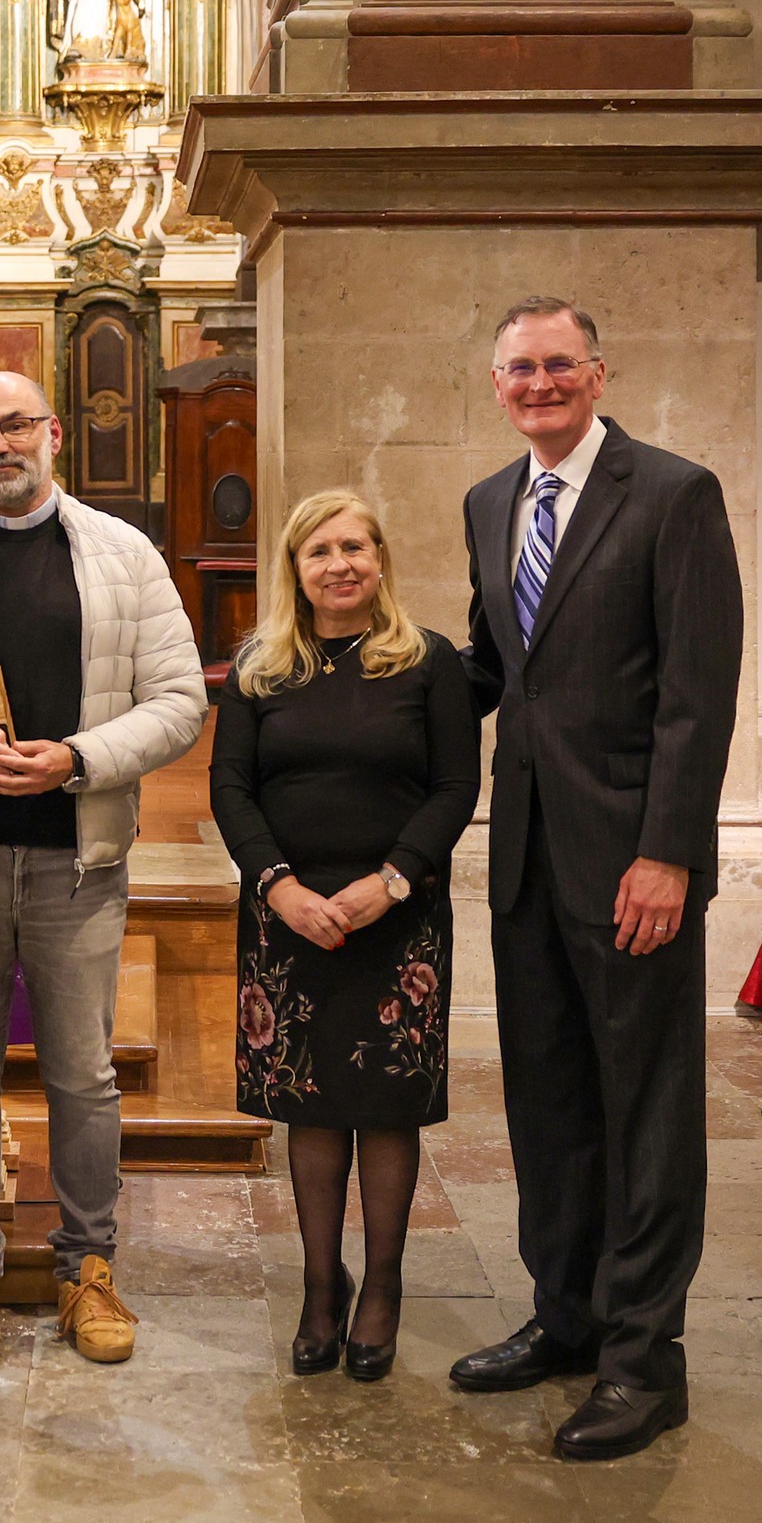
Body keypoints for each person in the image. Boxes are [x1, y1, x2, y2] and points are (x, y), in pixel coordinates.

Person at [449, 296, 742, 1460]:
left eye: (558, 364)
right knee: (550, 1100)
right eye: (519, 368)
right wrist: (350, 677)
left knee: (646, 1110)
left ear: (599, 373)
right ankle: (564, 1316)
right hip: (526, 856)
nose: (539, 384)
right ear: (497, 384)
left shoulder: (672, 495)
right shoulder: (490, 502)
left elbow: (696, 694)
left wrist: (669, 850)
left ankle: (643, 1359)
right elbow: (493, 667)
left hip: (632, 862)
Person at [0, 370, 206, 1366]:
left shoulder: (124, 553)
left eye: (14, 424)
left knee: (83, 1074)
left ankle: (86, 1269)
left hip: (79, 856)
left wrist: (76, 758)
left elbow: (179, 700)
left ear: (52, 432)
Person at [208, 491, 479, 1383]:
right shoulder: (259, 668)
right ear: (295, 568)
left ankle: (382, 1289)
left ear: (380, 558)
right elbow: (230, 788)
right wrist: (278, 886)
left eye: (354, 547)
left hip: (396, 917)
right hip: (286, 917)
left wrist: (391, 880)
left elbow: (454, 786)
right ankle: (321, 1288)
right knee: (311, 1104)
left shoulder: (427, 662)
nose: (339, 565)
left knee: (387, 1104)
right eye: (319, 550)